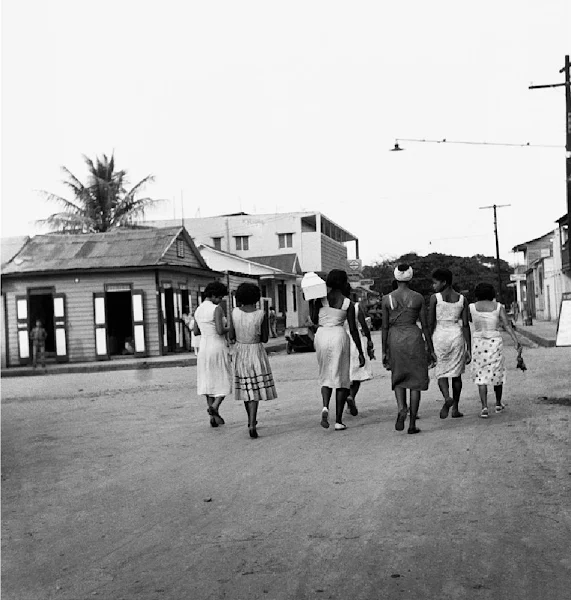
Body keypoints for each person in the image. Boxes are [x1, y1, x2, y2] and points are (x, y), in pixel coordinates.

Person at [382, 265, 437, 434]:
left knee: (398, 377)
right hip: (414, 337)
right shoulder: (418, 298)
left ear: (396, 277)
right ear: (411, 277)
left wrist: (384, 350)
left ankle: (401, 408)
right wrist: (430, 347)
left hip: (395, 338)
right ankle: (412, 424)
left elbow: (384, 327)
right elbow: (425, 325)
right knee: (415, 382)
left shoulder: (387, 299)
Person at [309, 269, 365, 431]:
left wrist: (310, 302)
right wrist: (360, 352)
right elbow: (353, 329)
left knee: (325, 374)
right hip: (339, 335)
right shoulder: (347, 302)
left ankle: (325, 407)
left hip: (322, 335)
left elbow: (313, 320)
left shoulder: (320, 299)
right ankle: (339, 420)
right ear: (343, 282)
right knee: (341, 378)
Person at [229, 283, 277, 438]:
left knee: (245, 387)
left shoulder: (234, 312)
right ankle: (252, 422)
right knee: (255, 387)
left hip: (240, 350)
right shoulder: (261, 314)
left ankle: (250, 420)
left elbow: (231, 336)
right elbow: (264, 338)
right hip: (255, 350)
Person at [469, 282, 522, 418]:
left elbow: (465, 323)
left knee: (481, 375)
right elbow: (506, 325)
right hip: (494, 342)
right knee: (497, 372)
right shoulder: (498, 307)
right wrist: (516, 341)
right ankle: (498, 403)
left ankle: (484, 407)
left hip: (478, 343)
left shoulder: (471, 308)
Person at [429, 268, 471, 419]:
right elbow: (465, 325)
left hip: (440, 336)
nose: (433, 286)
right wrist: (469, 348)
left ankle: (447, 397)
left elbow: (430, 323)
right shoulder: (462, 299)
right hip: (456, 336)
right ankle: (455, 409)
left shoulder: (435, 298)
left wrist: (428, 345)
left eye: (435, 283)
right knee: (456, 374)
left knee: (441, 371)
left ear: (444, 282)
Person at [193, 281, 232, 427]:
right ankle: (215, 406)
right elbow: (220, 330)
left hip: (204, 346)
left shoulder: (198, 310)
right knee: (223, 378)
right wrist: (230, 327)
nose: (221, 300)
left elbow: (196, 331)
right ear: (214, 295)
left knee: (208, 380)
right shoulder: (216, 309)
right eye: (220, 297)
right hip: (217, 345)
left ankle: (214, 418)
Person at [343, 284, 375, 416]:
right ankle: (352, 397)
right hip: (355, 340)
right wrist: (369, 339)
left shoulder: (336, 307)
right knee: (357, 374)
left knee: (344, 375)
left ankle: (347, 400)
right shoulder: (356, 307)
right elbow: (363, 326)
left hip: (340, 339)